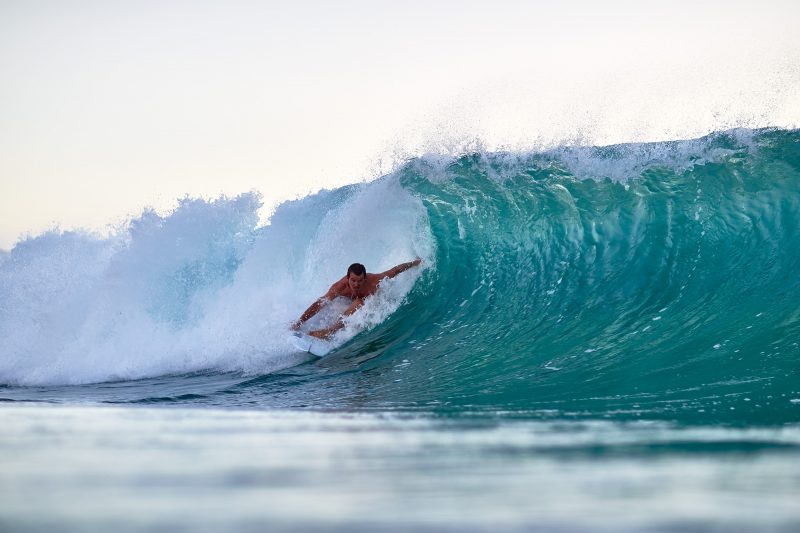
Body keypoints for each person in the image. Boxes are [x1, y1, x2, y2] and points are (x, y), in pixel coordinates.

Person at [291, 258, 423, 339]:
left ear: (364, 278)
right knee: (326, 301)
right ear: (348, 278)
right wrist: (299, 322)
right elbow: (320, 303)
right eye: (353, 280)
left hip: (363, 301)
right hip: (347, 299)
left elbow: (396, 270)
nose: (356, 284)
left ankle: (330, 332)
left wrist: (415, 262)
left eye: (360, 281)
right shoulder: (339, 287)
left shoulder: (374, 281)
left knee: (359, 301)